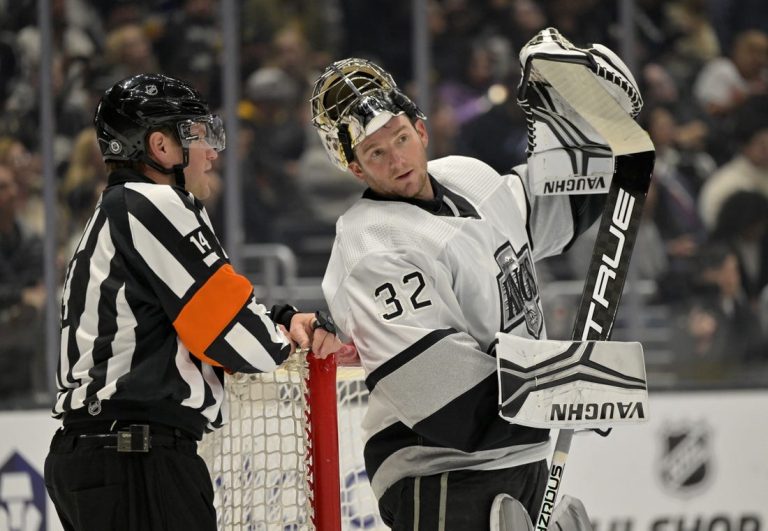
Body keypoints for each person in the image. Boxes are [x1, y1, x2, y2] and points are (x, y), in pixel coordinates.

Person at [308, 28, 642, 529]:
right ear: (356, 169)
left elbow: (558, 215)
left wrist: (594, 136)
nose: (397, 160)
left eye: (400, 138)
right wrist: (568, 388)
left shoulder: (467, 174)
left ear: (421, 130)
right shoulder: (370, 251)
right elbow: (452, 404)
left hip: (520, 456)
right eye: (376, 153)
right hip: (439, 472)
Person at [44, 73, 342, 531]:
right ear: (161, 147)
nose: (213, 151)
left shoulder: (120, 210)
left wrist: (277, 318)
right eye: (198, 134)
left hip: (108, 453)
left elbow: (206, 312)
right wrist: (284, 333)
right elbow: (237, 338)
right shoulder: (152, 203)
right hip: (135, 461)